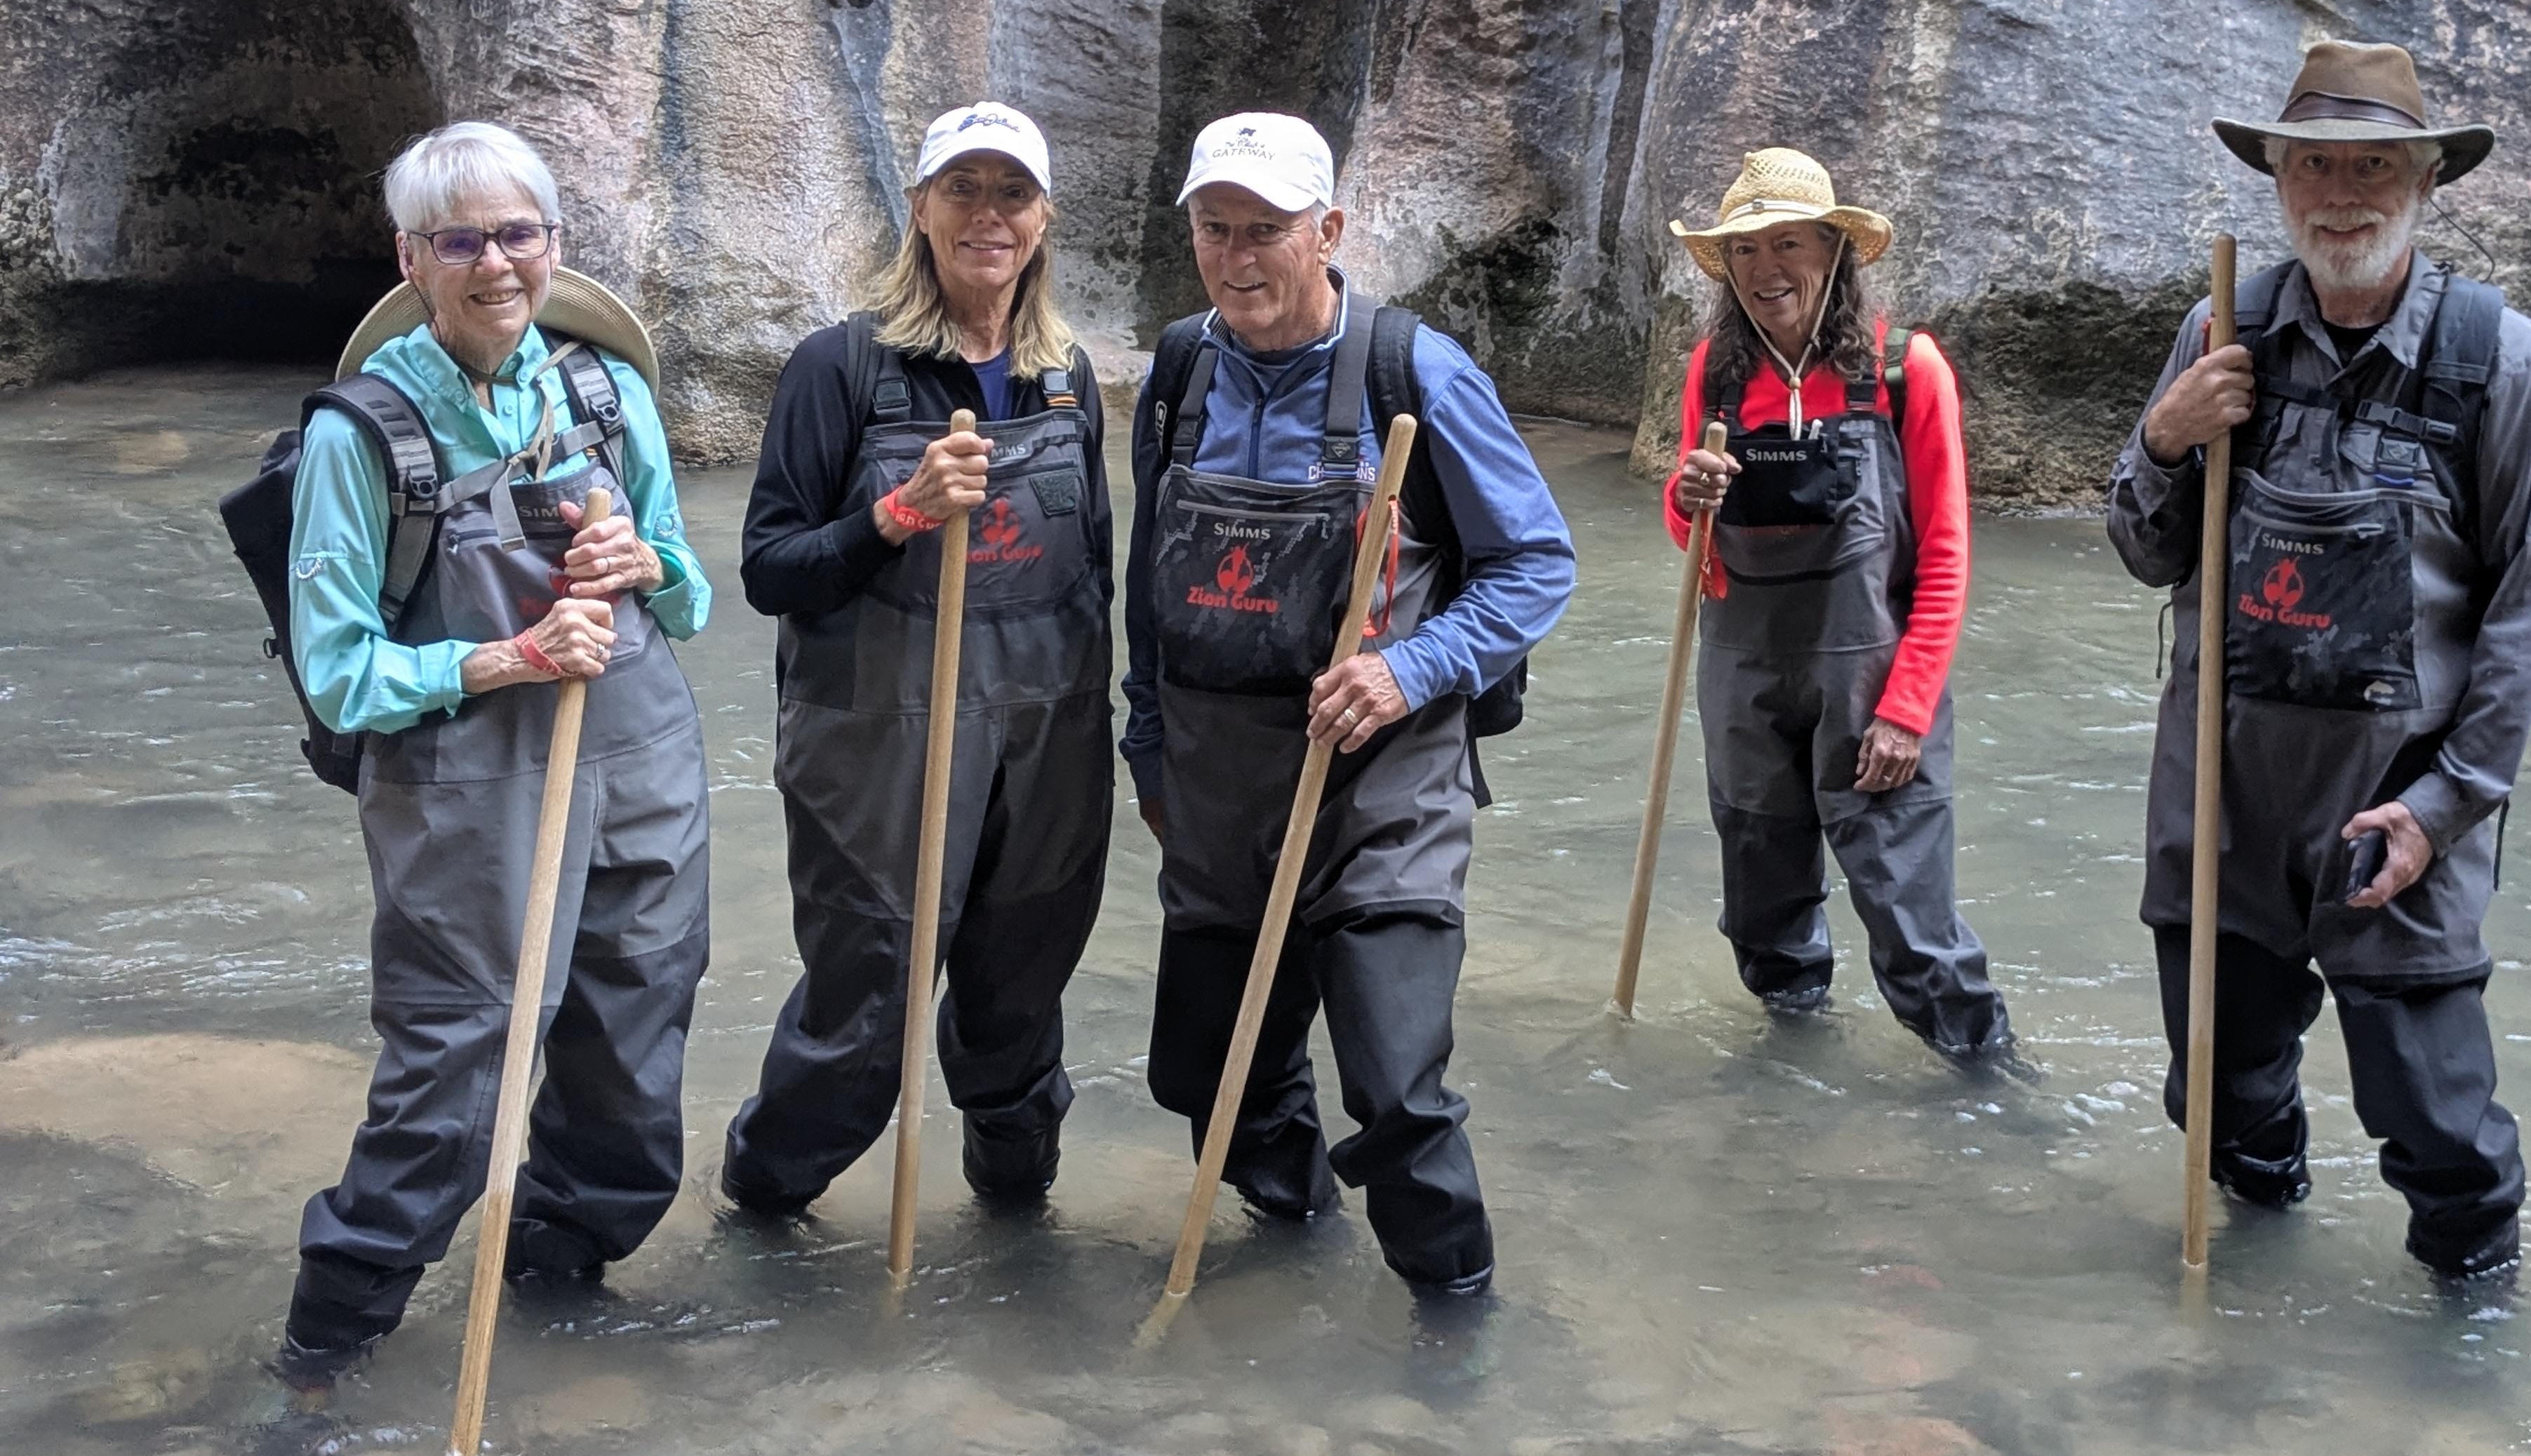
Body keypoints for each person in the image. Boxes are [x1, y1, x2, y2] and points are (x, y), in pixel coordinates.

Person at [2108, 40, 2531, 1278]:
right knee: (2219, 1102)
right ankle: (2264, 1314)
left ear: (2426, 181)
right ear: (2278, 180)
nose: (2342, 190)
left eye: (2375, 164)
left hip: (2397, 807)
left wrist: (2443, 809)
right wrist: (2164, 439)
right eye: (2313, 162)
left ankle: (2472, 1352)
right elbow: (2145, 555)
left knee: (2441, 1131)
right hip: (2226, 799)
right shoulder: (2223, 330)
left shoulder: (2501, 364)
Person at [281, 121, 714, 1382]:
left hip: (640, 762)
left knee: (633, 1047)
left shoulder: (604, 392)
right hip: (466, 789)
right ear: (410, 258)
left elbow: (687, 596)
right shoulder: (357, 438)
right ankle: (327, 1352)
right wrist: (508, 657)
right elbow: (341, 672)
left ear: (554, 247)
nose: (494, 265)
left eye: (516, 235)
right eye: (459, 240)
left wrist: (642, 563)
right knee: (452, 1077)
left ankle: (559, 1289)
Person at [1123, 112, 1575, 1298]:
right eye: (1214, 230)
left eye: (1266, 230)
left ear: (1328, 230)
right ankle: (1297, 1246)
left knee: (1398, 1093)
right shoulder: (1176, 374)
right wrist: (1149, 743)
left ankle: (1455, 1326)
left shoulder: (1412, 372)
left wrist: (1408, 669)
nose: (1237, 257)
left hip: (1385, 789)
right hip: (1220, 792)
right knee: (1202, 1075)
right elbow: (1145, 590)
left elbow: (1538, 563)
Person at [723, 103, 1111, 1215]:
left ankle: (1016, 1227)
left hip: (1047, 742)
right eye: (964, 190)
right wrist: (894, 513)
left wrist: (1123, 732)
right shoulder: (837, 370)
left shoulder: (1068, 377)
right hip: (879, 743)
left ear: (1043, 220)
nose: (988, 216)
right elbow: (769, 570)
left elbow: (1095, 574)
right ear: (922, 210)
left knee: (1019, 1001)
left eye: (1012, 194)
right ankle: (761, 1208)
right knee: (867, 1015)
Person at [1662, 149, 2008, 1055]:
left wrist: (1906, 710)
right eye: (1743, 251)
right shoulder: (1715, 375)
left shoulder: (1904, 371)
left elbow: (1945, 556)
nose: (1764, 270)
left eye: (1787, 244)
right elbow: (1694, 548)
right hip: (1745, 691)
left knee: (1916, 941)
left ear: (1834, 250)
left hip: (1873, 698)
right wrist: (1686, 497)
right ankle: (1792, 1087)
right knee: (1763, 931)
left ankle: (1992, 1094)